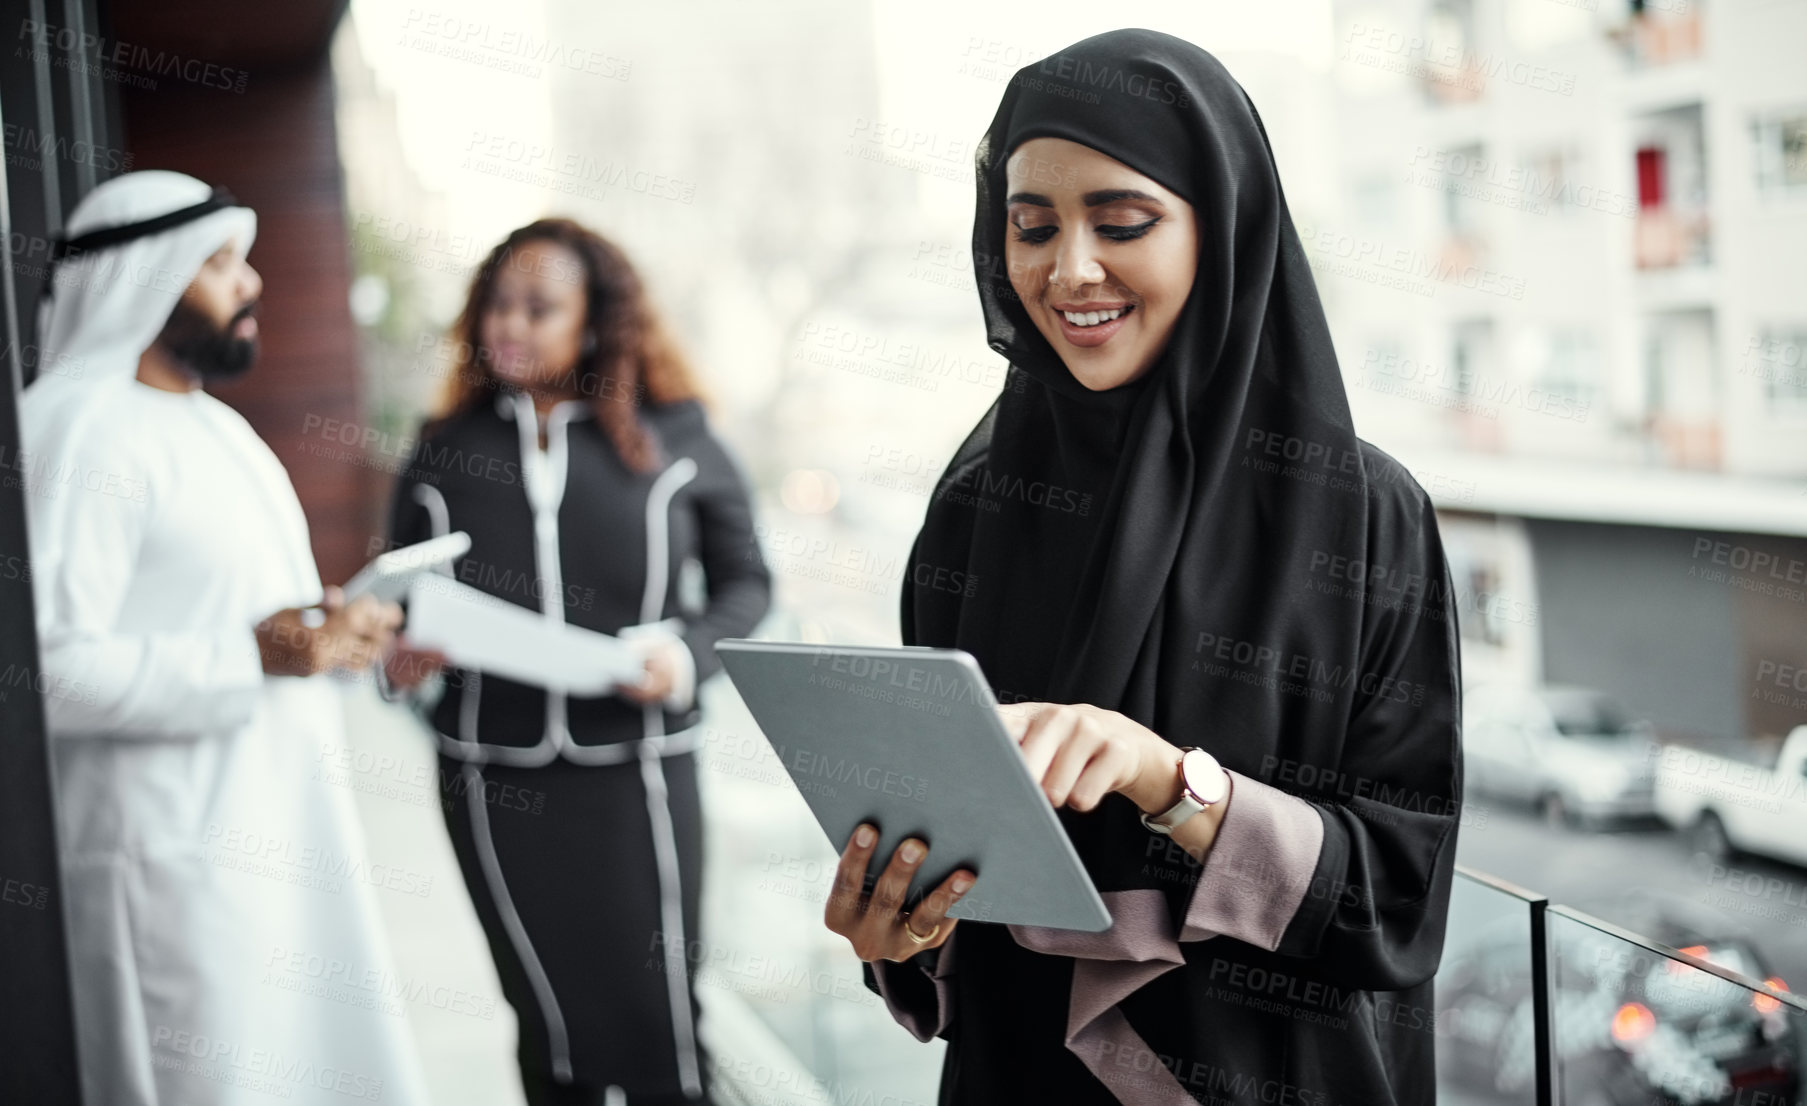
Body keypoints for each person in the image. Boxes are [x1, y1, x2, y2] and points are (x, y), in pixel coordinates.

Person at [825, 30, 1463, 1106]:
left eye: (1121, 223)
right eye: (1030, 227)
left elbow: (1397, 898)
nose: (1069, 269)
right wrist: (900, 925)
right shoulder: (978, 505)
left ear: (1222, 230)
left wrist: (1168, 778)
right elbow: (949, 871)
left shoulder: (1358, 516)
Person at [22, 170, 429, 1105]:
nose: (249, 284)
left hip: (273, 851)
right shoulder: (77, 428)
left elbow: (253, 629)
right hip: (169, 870)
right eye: (216, 264)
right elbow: (41, 666)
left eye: (242, 262)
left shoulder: (215, 430)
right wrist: (253, 654)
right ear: (139, 277)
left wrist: (331, 636)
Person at [383, 218, 771, 1106]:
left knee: (660, 1020)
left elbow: (747, 583)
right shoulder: (445, 446)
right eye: (495, 306)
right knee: (542, 1019)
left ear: (596, 322)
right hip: (490, 775)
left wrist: (685, 654)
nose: (508, 327)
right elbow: (400, 592)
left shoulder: (678, 436)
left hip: (638, 770)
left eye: (538, 308)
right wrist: (398, 655)